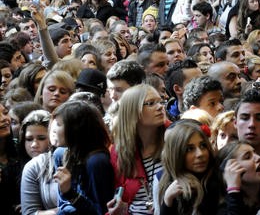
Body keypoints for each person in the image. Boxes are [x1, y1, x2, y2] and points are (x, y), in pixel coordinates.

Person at [107, 84, 165, 215]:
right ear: (132, 112)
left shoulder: (173, 138)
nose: (160, 107)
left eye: (160, 102)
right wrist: (120, 209)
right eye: (151, 103)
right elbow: (122, 197)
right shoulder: (119, 151)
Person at [52, 100, 114, 214]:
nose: (54, 130)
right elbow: (63, 205)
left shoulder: (96, 162)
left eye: (59, 124)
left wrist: (70, 193)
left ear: (75, 129)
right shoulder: (61, 154)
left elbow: (102, 211)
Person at [154, 120, 219, 215]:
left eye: (203, 145)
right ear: (176, 154)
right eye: (189, 149)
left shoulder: (220, 177)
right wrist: (167, 201)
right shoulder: (164, 180)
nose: (200, 154)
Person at [217, 141, 260, 215]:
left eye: (256, 153)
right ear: (231, 170)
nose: (258, 158)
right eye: (248, 157)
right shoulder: (225, 208)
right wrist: (233, 189)